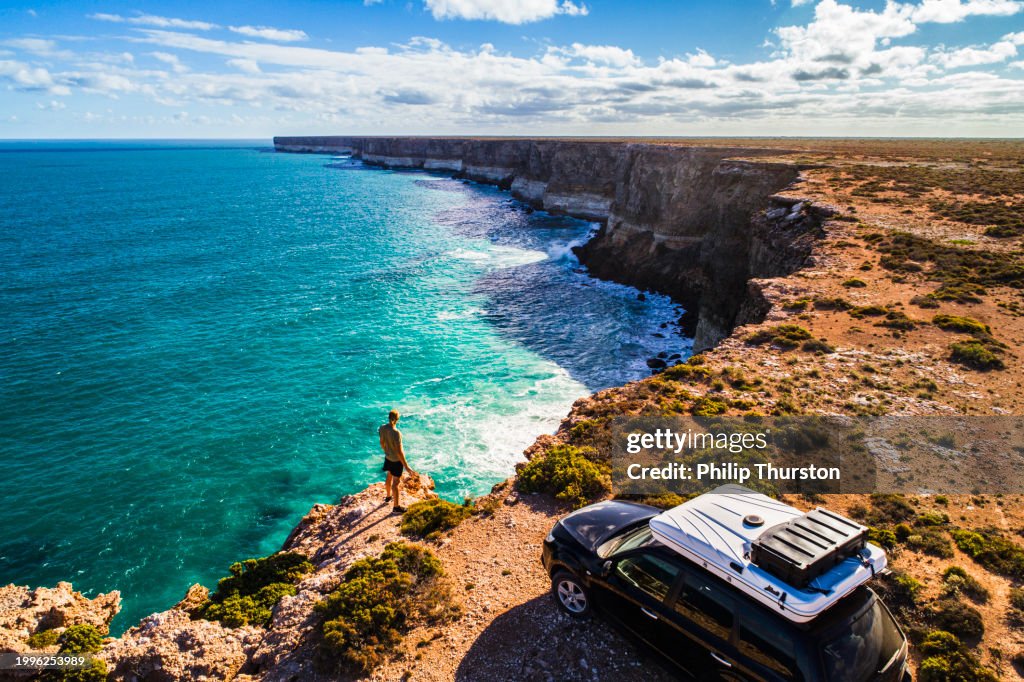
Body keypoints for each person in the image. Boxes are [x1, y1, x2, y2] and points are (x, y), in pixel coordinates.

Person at [378, 409, 416, 513]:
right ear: (397, 419)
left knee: (389, 475)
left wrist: (386, 451)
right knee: (396, 483)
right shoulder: (396, 433)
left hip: (388, 457)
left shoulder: (382, 428)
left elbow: (381, 442)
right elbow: (399, 452)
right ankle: (396, 507)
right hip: (396, 461)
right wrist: (406, 466)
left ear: (388, 417)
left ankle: (388, 496)